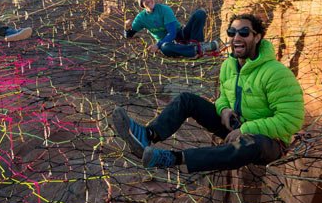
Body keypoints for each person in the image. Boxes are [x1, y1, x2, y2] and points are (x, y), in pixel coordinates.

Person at [112, 14, 304, 175]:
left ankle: (172, 158)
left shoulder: (275, 73)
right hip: (236, 126)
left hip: (268, 141)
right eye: (232, 32)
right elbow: (223, 97)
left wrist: (246, 130)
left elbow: (291, 120)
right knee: (187, 100)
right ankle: (148, 135)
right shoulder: (229, 65)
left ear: (257, 37)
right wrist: (224, 109)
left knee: (251, 144)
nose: (236, 37)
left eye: (244, 32)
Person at [126, 0, 219, 60]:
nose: (148, 0)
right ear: (141, 4)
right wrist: (126, 28)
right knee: (165, 48)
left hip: (181, 35)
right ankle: (196, 50)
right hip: (168, 43)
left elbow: (172, 33)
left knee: (200, 13)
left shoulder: (164, 9)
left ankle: (197, 45)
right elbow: (129, 35)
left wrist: (157, 45)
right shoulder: (141, 18)